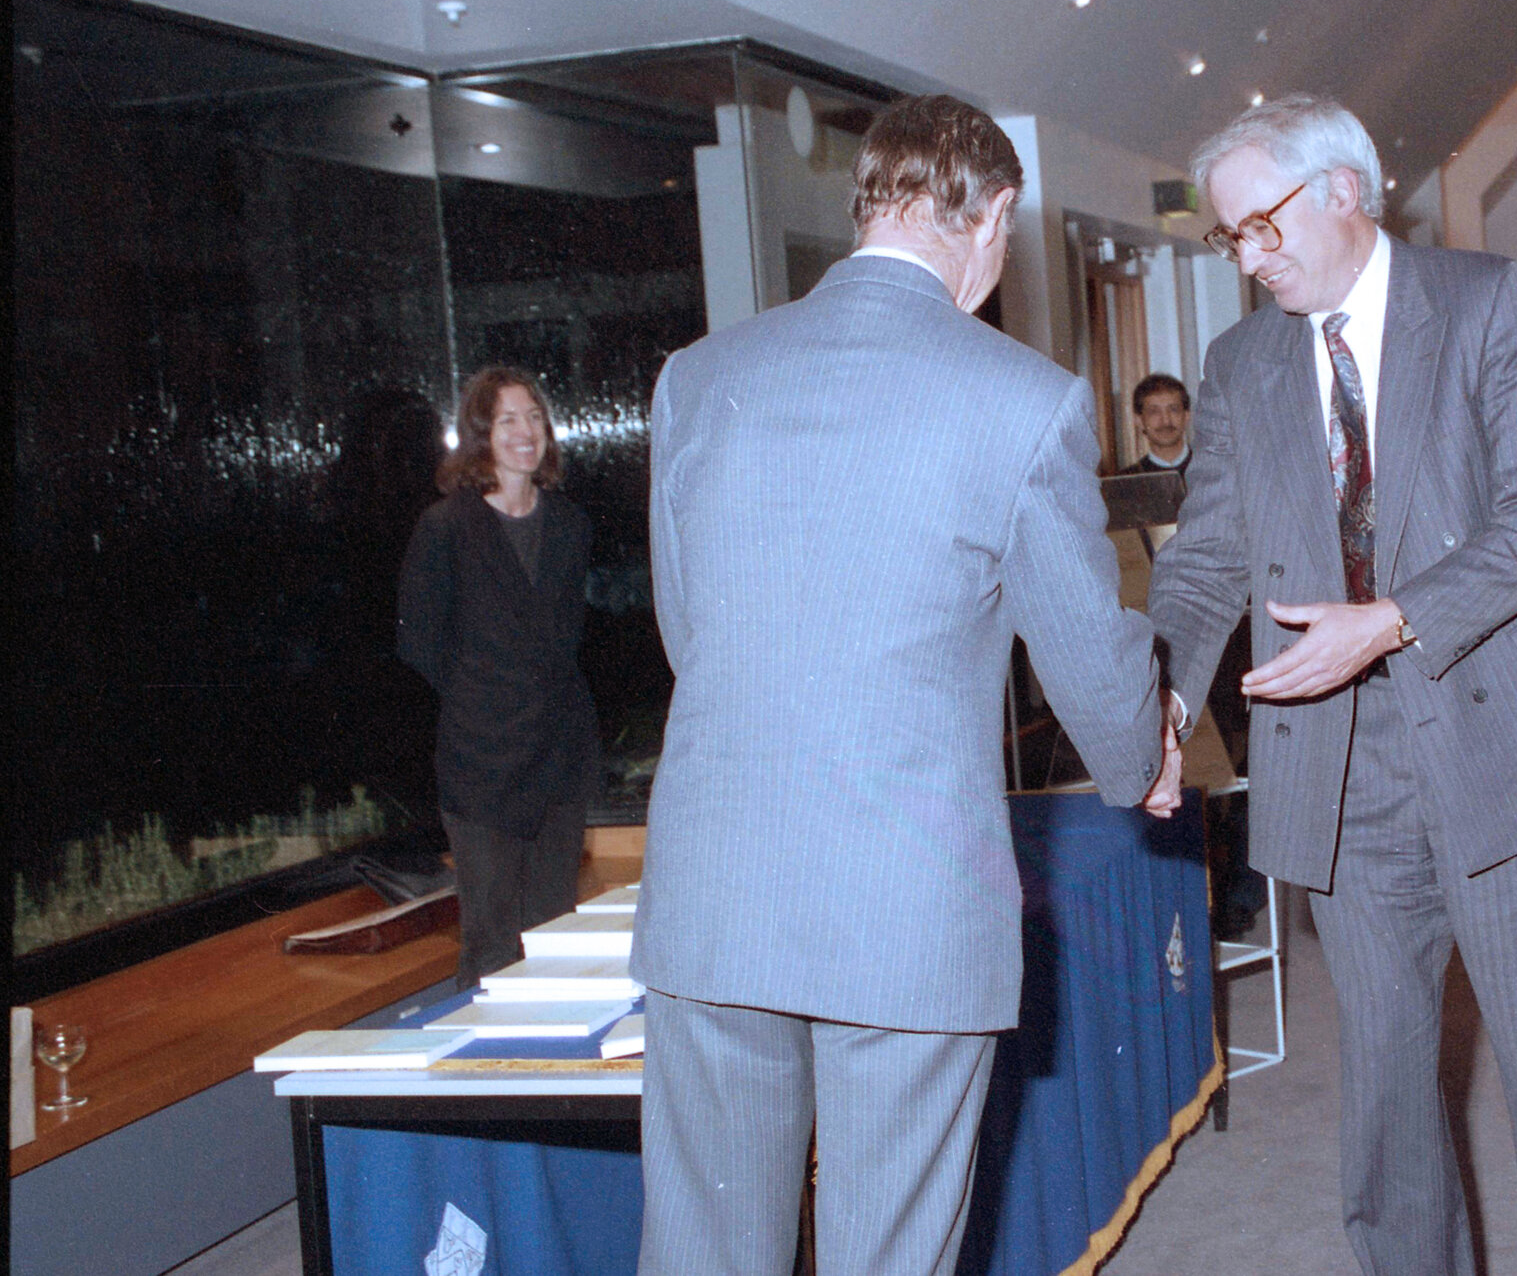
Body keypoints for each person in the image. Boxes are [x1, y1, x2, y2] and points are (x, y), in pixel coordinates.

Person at [633, 93, 1181, 1276]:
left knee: (700, 1255)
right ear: (990, 216)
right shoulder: (1023, 401)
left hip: (715, 892)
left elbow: (691, 637)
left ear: (863, 205)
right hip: (906, 908)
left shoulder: (698, 377)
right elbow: (1085, 654)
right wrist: (1146, 759)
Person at [1146, 94, 1517, 1276]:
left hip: (1506, 752)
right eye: (1230, 240)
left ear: (1342, 193)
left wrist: (1393, 620)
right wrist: (1155, 703)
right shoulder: (1239, 362)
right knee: (1385, 1094)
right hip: (1337, 773)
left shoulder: (1485, 301)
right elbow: (1208, 556)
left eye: (1261, 227)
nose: (1249, 259)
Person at [396, 366, 602, 989]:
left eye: (534, 417)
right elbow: (419, 642)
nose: (525, 432)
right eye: (509, 419)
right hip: (481, 764)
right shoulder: (445, 527)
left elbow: (568, 639)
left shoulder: (570, 525)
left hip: (559, 760)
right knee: (490, 943)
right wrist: (484, 698)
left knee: (555, 939)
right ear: (482, 434)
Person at [1119, 372, 1192, 474]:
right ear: (1139, 421)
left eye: (1173, 410)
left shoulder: (1214, 471)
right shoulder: (1126, 481)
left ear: (1186, 416)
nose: (1166, 421)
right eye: (1154, 412)